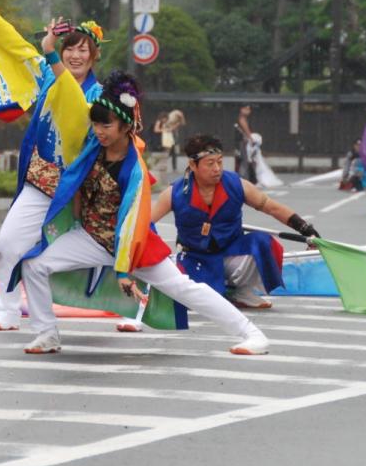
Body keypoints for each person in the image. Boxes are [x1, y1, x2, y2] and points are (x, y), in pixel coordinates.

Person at [14, 72, 270, 356]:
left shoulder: (134, 172)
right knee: (33, 265)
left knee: (184, 288)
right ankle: (47, 333)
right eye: (96, 123)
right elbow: (69, 102)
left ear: (125, 126)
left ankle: (251, 333)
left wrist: (124, 270)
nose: (99, 130)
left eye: (106, 125)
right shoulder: (92, 147)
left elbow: (130, 221)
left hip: (134, 244)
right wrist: (52, 55)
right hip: (92, 238)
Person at [0, 0, 104, 332]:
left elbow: (81, 116)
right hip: (42, 181)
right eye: (70, 49)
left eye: (83, 51)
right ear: (60, 52)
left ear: (93, 57)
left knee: (120, 251)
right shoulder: (47, 75)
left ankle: (137, 310)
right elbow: (16, 48)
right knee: (7, 244)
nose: (76, 56)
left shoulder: (100, 96)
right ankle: (9, 310)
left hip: (84, 189)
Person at [150, 133, 318, 309]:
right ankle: (218, 289)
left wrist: (306, 229)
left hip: (232, 251)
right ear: (193, 165)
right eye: (210, 163)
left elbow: (272, 207)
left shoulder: (237, 185)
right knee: (197, 302)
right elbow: (146, 223)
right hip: (195, 257)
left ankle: (240, 291)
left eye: (220, 162)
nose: (217, 168)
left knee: (262, 242)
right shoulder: (174, 193)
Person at [234, 105, 256, 183]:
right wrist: (251, 139)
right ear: (241, 109)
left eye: (249, 109)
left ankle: (242, 177)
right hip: (242, 142)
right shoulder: (242, 119)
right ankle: (242, 178)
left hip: (241, 142)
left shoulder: (243, 118)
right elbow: (246, 130)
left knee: (243, 160)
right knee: (244, 160)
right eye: (246, 109)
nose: (248, 111)